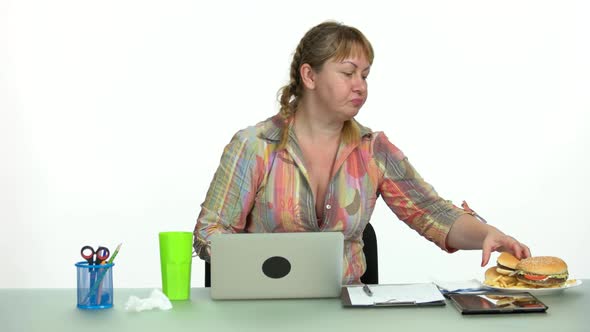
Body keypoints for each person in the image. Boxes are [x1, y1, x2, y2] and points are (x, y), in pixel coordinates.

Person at [193, 21, 531, 285]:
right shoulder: (255, 145)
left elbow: (431, 212)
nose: (361, 85)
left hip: (346, 310)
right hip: (262, 311)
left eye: (365, 75)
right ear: (309, 76)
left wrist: (489, 234)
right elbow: (211, 232)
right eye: (348, 73)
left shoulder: (373, 149)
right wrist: (261, 264)